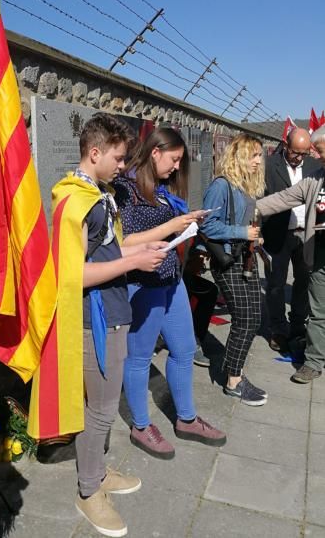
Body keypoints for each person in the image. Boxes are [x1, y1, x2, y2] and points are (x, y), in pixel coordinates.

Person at [56, 113, 168, 538]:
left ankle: (97, 474)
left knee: (104, 406)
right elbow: (74, 274)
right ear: (95, 152)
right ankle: (88, 491)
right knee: (101, 409)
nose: (123, 167)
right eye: (119, 159)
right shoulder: (74, 201)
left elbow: (111, 247)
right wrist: (134, 261)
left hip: (114, 310)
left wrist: (148, 244)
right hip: (94, 319)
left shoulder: (97, 194)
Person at [113, 127, 226, 461]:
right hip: (142, 284)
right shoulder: (125, 188)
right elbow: (126, 241)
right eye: (173, 159)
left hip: (171, 281)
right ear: (155, 152)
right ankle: (141, 425)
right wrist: (172, 227)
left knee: (184, 348)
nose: (177, 167)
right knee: (139, 358)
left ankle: (186, 419)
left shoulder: (162, 188)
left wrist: (190, 223)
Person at [201, 133, 266, 405]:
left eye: (260, 155)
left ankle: (233, 369)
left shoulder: (245, 186)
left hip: (246, 258)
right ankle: (233, 381)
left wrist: (254, 237)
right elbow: (207, 225)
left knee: (254, 316)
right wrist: (243, 231)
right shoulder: (221, 185)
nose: (259, 161)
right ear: (239, 156)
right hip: (227, 261)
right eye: (254, 155)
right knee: (245, 318)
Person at [257, 125, 325, 383]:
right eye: (311, 151)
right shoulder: (315, 178)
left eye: (316, 151)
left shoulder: (310, 168)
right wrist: (245, 210)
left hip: (306, 241)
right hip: (309, 248)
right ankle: (313, 360)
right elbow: (282, 199)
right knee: (316, 308)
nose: (313, 156)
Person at [182, 248, 219, 367]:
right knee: (184, 290)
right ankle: (189, 343)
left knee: (210, 291)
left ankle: (196, 339)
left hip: (184, 268)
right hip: (169, 271)